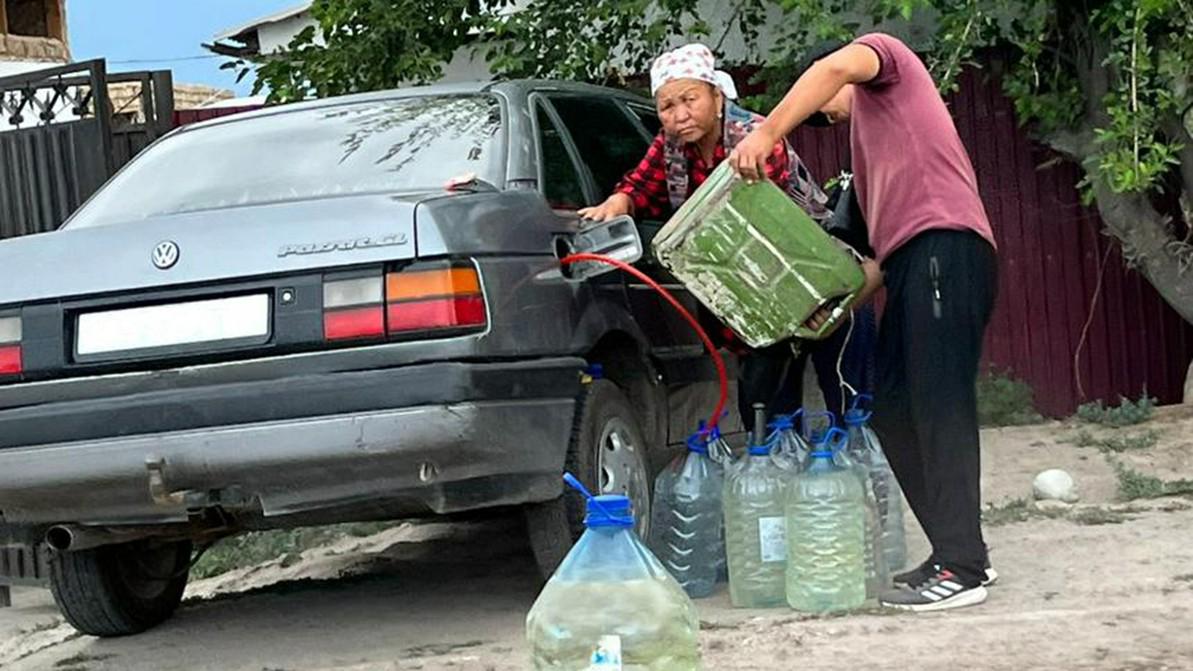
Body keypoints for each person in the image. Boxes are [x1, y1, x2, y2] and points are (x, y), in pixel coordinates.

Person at [729, 33, 999, 611]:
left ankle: (964, 569)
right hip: (908, 265)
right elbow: (872, 265)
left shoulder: (889, 60)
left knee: (938, 405)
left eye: (825, 107)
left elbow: (834, 67)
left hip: (944, 249)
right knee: (896, 410)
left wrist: (768, 131)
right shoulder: (872, 162)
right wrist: (820, 316)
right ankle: (958, 550)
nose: (826, 116)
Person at [579, 43, 876, 431]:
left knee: (852, 410)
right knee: (767, 419)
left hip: (821, 283)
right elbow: (640, 186)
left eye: (690, 99)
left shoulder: (753, 137)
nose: (680, 115)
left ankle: (867, 482)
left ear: (716, 97)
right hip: (761, 300)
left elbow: (748, 217)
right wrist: (617, 203)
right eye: (667, 106)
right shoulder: (670, 147)